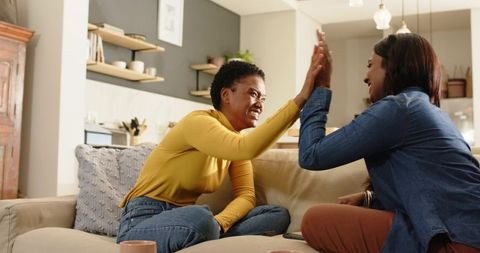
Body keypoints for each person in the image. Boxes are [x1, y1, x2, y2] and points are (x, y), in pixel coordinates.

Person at [116, 31, 328, 253]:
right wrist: (301, 97)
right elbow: (246, 149)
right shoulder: (198, 122)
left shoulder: (236, 140)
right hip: (143, 221)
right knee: (200, 217)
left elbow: (246, 196)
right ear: (226, 95)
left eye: (263, 98)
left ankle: (210, 234)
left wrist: (220, 223)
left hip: (187, 221)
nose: (260, 104)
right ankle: (208, 231)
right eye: (254, 94)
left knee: (275, 215)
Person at [298, 33, 480, 253]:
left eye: (370, 65)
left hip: (456, 242)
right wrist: (370, 198)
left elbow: (311, 155)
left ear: (392, 67)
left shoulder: (397, 109)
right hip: (467, 234)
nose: (365, 76)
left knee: (315, 220)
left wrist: (321, 87)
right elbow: (433, 189)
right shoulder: (434, 113)